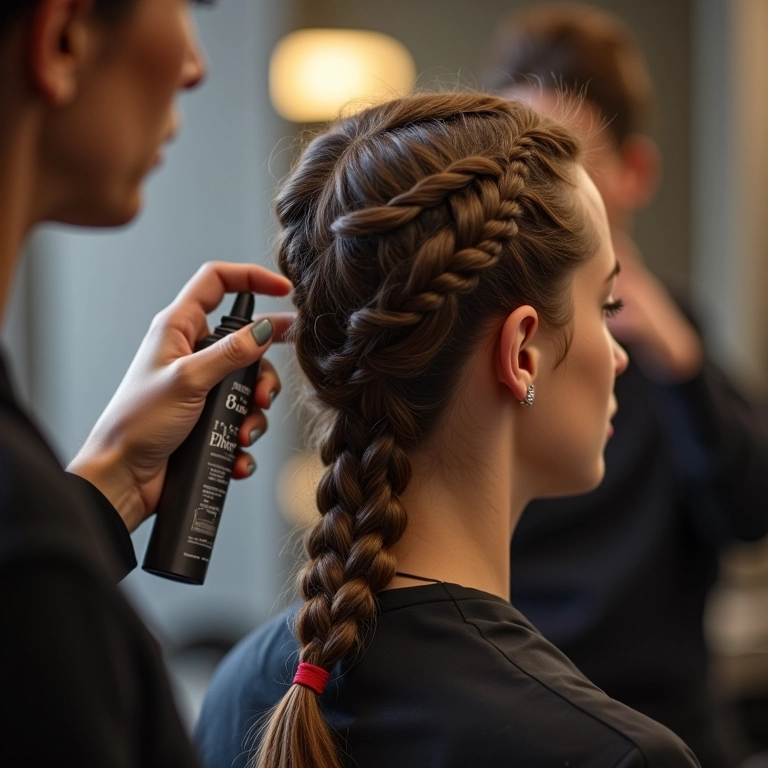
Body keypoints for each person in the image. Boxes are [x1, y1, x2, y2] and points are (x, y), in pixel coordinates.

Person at [195, 92, 701, 768]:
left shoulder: (239, 692)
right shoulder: (618, 757)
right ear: (522, 353)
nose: (619, 354)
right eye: (606, 306)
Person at [0, 0, 292, 764]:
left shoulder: (34, 542)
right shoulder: (31, 566)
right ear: (62, 36)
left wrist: (108, 488)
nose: (197, 65)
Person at [482, 5, 768, 767]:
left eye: (563, 164)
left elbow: (749, 510)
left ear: (633, 175)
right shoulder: (484, 350)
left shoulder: (678, 342)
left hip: (664, 728)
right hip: (519, 719)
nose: (537, 194)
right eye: (519, 163)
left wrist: (681, 366)